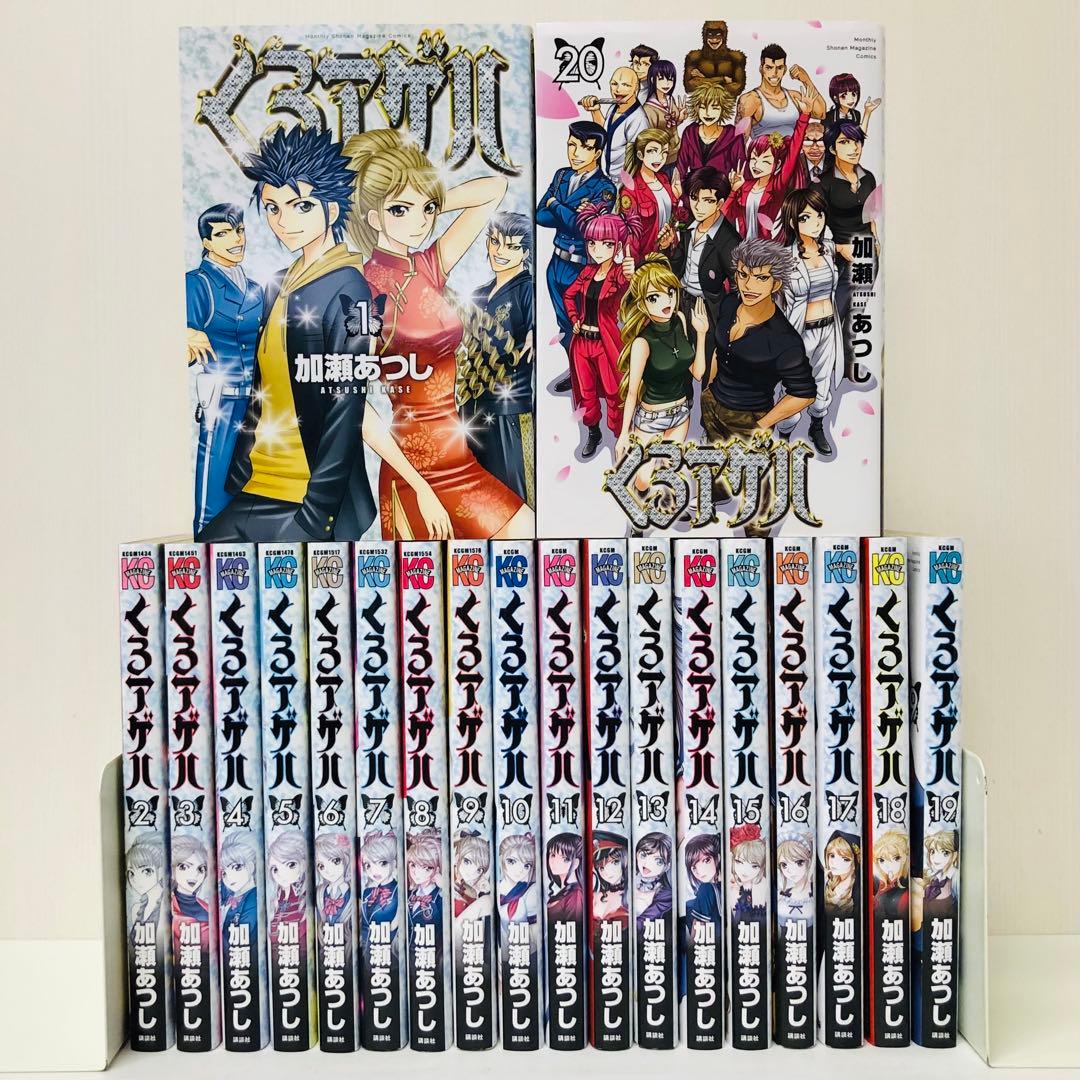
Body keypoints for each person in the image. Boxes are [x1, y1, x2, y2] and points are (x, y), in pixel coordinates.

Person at [199, 126, 447, 544]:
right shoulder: (279, 284)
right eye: (273, 208)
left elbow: (346, 408)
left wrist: (317, 513)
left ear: (332, 210)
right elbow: (265, 386)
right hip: (255, 485)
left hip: (305, 503)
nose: (284, 222)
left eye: (302, 206)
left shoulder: (348, 289)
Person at [345, 127, 534, 541]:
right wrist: (420, 487)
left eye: (426, 209)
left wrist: (425, 198)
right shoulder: (360, 289)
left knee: (526, 535)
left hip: (459, 459)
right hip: (412, 467)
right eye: (400, 210)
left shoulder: (429, 265)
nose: (419, 222)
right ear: (373, 217)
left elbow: (494, 190)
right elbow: (355, 405)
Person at [698, 238, 816, 533]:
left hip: (749, 415)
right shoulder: (729, 304)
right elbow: (719, 350)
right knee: (714, 452)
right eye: (743, 274)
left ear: (776, 284)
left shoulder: (783, 339)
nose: (749, 285)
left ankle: (757, 537)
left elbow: (804, 393)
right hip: (714, 402)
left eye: (761, 278)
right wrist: (709, 389)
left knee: (756, 482)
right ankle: (720, 490)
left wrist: (763, 424)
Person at [185, 203, 263, 536]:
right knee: (216, 480)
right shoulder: (197, 284)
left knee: (256, 483)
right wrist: (185, 335)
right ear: (206, 242)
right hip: (223, 398)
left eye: (239, 230)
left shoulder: (256, 288)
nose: (236, 239)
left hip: (260, 399)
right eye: (223, 233)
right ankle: (208, 544)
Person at [614, 257, 709, 510]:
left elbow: (697, 373)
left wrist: (701, 334)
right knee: (643, 479)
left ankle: (668, 504)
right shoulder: (642, 343)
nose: (666, 301)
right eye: (654, 298)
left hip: (680, 413)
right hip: (649, 419)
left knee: (669, 466)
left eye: (670, 292)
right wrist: (624, 434)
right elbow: (632, 392)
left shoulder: (680, 319)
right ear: (642, 304)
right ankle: (640, 505)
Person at [536, 120, 617, 391]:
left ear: (597, 152)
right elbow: (540, 216)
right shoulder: (561, 176)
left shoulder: (604, 188)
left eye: (584, 147)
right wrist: (568, 211)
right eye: (572, 145)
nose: (575, 153)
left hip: (583, 265)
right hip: (556, 262)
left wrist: (555, 203)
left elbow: (582, 227)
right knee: (564, 323)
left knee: (588, 325)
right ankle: (576, 371)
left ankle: (596, 376)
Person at [463, 212, 534, 504]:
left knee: (515, 498)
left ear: (526, 253)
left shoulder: (528, 289)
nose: (499, 252)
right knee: (479, 500)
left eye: (512, 246)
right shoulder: (478, 294)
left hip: (510, 411)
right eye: (495, 242)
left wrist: (533, 332)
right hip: (471, 408)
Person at [563, 203, 639, 459]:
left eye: (606, 244)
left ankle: (620, 435)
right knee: (586, 393)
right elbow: (569, 295)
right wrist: (574, 318)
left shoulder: (619, 274)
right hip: (582, 344)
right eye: (592, 243)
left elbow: (632, 291)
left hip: (605, 344)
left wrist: (631, 274)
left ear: (617, 246)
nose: (597, 250)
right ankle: (593, 432)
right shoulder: (587, 272)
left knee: (614, 391)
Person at [777, 186, 843, 456]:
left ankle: (817, 426)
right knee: (795, 385)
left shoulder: (828, 249)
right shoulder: (786, 258)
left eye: (819, 215)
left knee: (823, 381)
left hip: (828, 329)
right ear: (793, 222)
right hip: (800, 332)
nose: (816, 222)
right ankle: (784, 434)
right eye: (806, 217)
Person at [818, 122, 880, 376]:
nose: (854, 148)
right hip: (838, 259)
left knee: (856, 314)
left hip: (866, 255)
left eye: (857, 142)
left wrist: (876, 240)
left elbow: (871, 214)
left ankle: (848, 365)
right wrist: (837, 248)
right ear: (832, 148)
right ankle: (828, 364)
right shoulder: (823, 183)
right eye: (845, 142)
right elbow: (811, 227)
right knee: (834, 313)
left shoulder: (869, 177)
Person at [666, 167, 740, 344]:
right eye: (694, 198)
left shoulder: (729, 239)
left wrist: (728, 319)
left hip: (708, 307)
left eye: (707, 200)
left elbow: (737, 284)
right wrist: (666, 247)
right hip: (680, 301)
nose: (698, 207)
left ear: (719, 203)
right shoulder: (689, 225)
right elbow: (677, 265)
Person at [725, 102, 810, 241]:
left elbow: (794, 151)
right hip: (743, 247)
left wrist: (804, 116)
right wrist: (733, 191)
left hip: (769, 247)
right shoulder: (744, 186)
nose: (756, 165)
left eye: (765, 161)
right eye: (753, 158)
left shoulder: (777, 185)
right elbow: (724, 217)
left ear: (777, 164)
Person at [737, 43, 825, 141]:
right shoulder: (750, 99)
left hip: (794, 150)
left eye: (779, 68)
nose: (774, 73)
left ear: (785, 69)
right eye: (769, 68)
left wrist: (806, 80)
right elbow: (739, 141)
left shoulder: (794, 96)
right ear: (761, 69)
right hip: (764, 150)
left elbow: (821, 114)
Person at [619, 128, 683, 262]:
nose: (659, 158)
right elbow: (630, 235)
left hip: (666, 253)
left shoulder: (663, 179)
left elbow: (670, 215)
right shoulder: (630, 190)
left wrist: (676, 197)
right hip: (645, 259)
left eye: (664, 152)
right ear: (640, 155)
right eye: (652, 151)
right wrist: (638, 263)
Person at [579, 67, 650, 185]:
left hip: (623, 182)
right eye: (614, 84)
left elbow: (637, 160)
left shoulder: (638, 119)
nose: (618, 89)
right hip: (605, 177)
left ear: (636, 88)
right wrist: (595, 111)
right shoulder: (613, 107)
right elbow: (605, 134)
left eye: (626, 85)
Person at [676, 83, 745, 198]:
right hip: (693, 196)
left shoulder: (733, 135)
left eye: (715, 108)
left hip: (721, 197)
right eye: (703, 107)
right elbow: (680, 170)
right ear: (696, 108)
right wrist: (686, 198)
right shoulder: (690, 132)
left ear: (723, 109)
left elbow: (742, 170)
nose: (708, 113)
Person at [219, 832, 260, 965]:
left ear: (251, 866)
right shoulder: (231, 898)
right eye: (224, 872)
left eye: (236, 867)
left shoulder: (253, 898)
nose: (229, 877)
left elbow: (245, 937)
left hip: (243, 962)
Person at [171, 834, 211, 956]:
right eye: (184, 867)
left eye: (200, 869)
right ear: (172, 870)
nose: (194, 875)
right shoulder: (166, 907)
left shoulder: (207, 907)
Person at [642, 60, 687, 169]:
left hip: (677, 152)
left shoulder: (670, 99)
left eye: (670, 79)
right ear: (652, 80)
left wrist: (680, 118)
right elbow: (650, 136)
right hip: (661, 158)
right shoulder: (649, 108)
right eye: (661, 79)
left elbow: (671, 125)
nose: (666, 83)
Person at [683, 21, 746, 96]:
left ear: (724, 36)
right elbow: (689, 87)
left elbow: (738, 88)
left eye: (718, 35)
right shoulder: (694, 57)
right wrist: (723, 79)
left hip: (727, 102)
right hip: (701, 102)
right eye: (710, 35)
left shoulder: (736, 57)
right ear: (705, 37)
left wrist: (702, 79)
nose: (714, 39)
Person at [267, 830, 308, 945]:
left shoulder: (305, 899)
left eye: (290, 865)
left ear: (304, 864)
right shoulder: (275, 899)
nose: (281, 874)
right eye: (275, 869)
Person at [359, 831, 400, 937]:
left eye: (382, 863)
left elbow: (396, 927)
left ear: (394, 863)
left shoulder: (399, 891)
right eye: (368, 865)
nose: (374, 871)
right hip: (368, 945)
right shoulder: (367, 892)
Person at [126, 833, 167, 931]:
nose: (136, 880)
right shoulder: (136, 909)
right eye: (131, 873)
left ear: (161, 871)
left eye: (146, 871)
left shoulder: (166, 907)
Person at [633, 833, 673, 930]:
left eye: (658, 861)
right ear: (637, 854)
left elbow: (643, 921)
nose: (647, 864)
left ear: (667, 866)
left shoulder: (665, 895)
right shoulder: (626, 879)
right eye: (643, 855)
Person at [498, 833, 539, 925]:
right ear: (501, 859)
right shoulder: (494, 887)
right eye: (512, 861)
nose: (520, 870)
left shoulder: (530, 891)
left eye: (526, 865)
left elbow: (534, 927)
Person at [729, 823, 768, 919]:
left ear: (762, 866)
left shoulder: (763, 886)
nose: (745, 871)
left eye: (754, 866)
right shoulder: (730, 886)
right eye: (739, 862)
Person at [406, 829, 443, 927]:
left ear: (437, 869)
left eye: (425, 868)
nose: (416, 872)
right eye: (413, 865)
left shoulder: (440, 898)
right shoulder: (410, 895)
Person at [314, 832, 353, 926]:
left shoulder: (353, 893)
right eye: (321, 866)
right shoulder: (318, 893)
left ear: (346, 859)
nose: (328, 870)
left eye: (335, 861)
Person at [546, 834, 585, 923]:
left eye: (565, 859)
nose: (555, 862)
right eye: (553, 855)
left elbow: (573, 928)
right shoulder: (565, 891)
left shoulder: (576, 894)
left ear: (576, 863)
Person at [592, 832, 629, 924]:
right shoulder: (596, 896)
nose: (607, 872)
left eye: (615, 862)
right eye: (601, 867)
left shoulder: (636, 894)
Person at [872, 829, 910, 920]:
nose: (888, 865)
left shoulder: (905, 892)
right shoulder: (878, 883)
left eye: (896, 858)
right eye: (882, 860)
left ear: (904, 858)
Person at [452, 832, 492, 917]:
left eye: (479, 870)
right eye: (467, 862)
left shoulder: (473, 891)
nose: (471, 873)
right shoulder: (446, 879)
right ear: (457, 858)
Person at [776, 831, 814, 918]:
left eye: (799, 863)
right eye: (784, 865)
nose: (790, 870)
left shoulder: (815, 891)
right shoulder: (784, 894)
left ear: (809, 862)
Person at [823, 831, 860, 916]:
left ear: (855, 864)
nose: (834, 862)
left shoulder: (857, 889)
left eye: (845, 859)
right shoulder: (829, 883)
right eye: (832, 856)